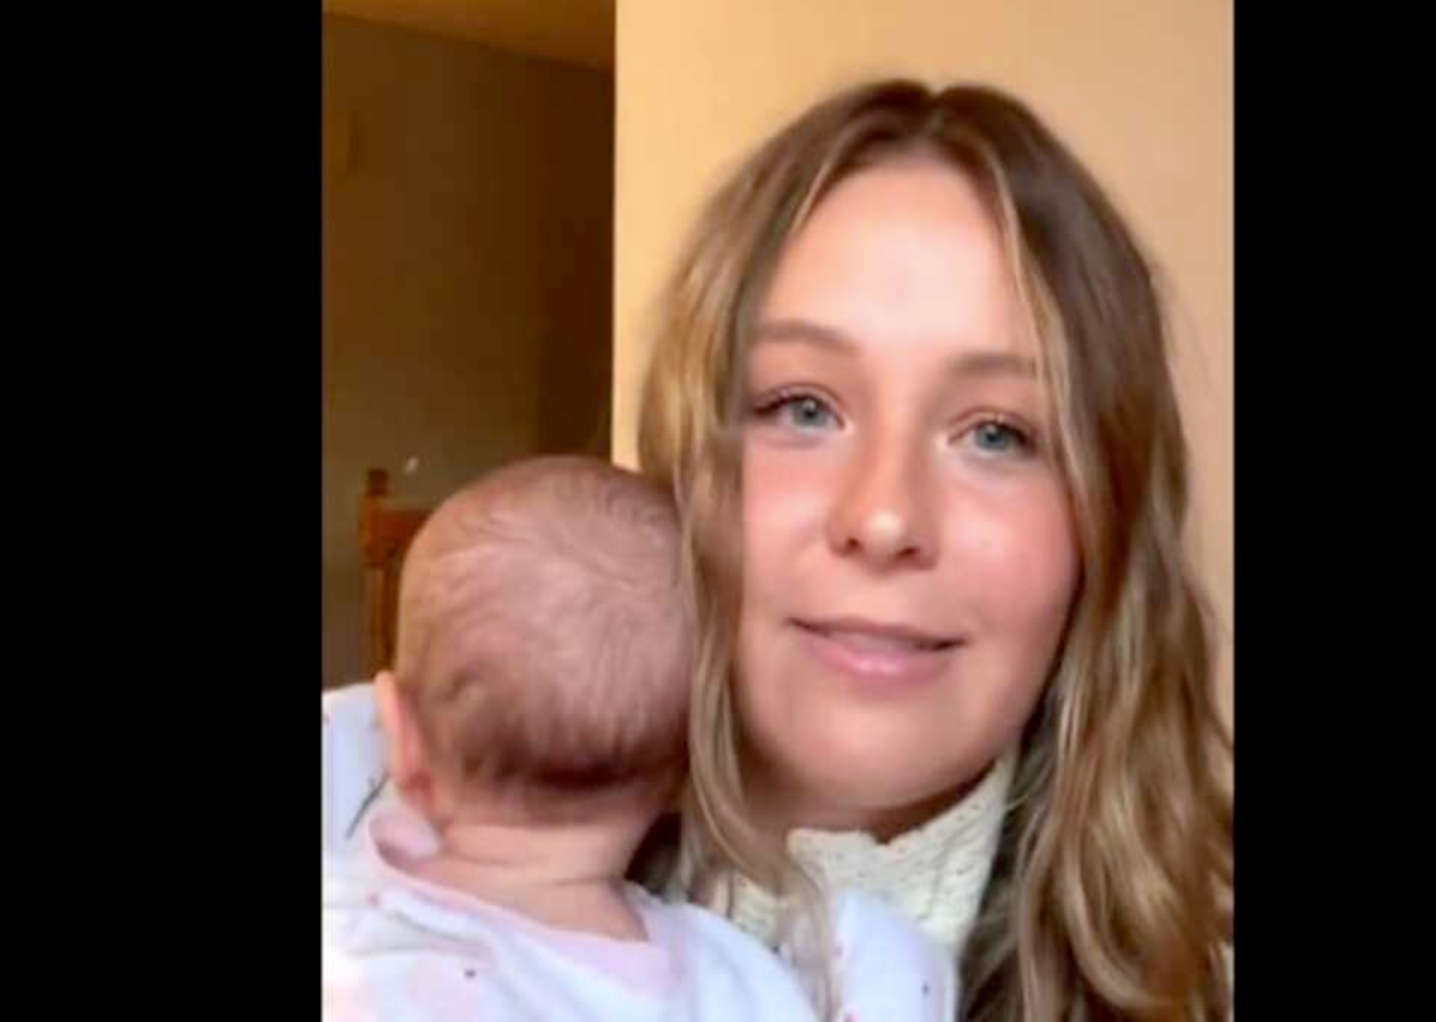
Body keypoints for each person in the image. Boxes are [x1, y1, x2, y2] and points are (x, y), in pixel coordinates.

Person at [636, 80, 1233, 1019]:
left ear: (1104, 527)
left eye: (997, 433)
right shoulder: (406, 914)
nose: (883, 519)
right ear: (683, 467)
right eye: (803, 408)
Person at [321, 455, 955, 1021]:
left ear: (400, 740)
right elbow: (892, 969)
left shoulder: (348, 930)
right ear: (686, 775)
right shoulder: (725, 979)